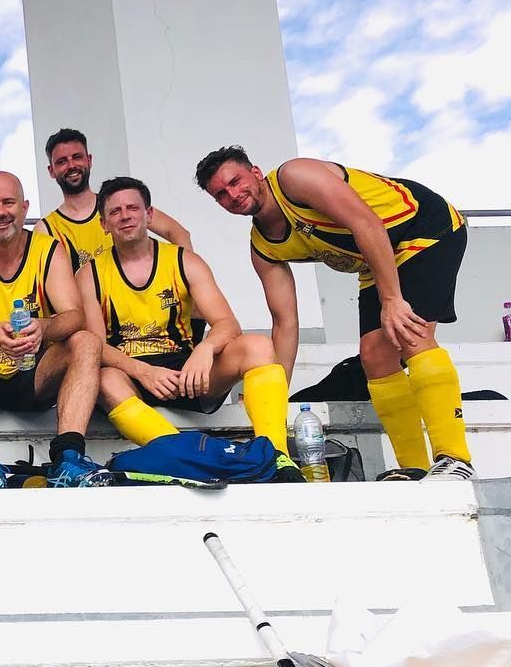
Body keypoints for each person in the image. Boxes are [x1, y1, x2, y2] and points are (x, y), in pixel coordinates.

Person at [195, 146, 473, 481]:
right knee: (374, 357)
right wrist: (277, 392)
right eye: (221, 195)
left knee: (409, 334)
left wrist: (392, 299)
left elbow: (365, 222)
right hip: (377, 257)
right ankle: (414, 467)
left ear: (255, 172)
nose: (233, 195)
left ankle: (454, 458)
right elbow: (286, 322)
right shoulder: (263, 248)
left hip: (425, 228)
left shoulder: (294, 177)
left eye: (235, 182)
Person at [78, 177, 301, 479]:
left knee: (257, 346)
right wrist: (142, 371)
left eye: (132, 207)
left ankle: (275, 458)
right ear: (104, 224)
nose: (125, 215)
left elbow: (227, 323)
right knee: (103, 379)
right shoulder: (90, 274)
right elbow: (95, 346)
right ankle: (184, 456)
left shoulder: (184, 261)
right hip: (133, 375)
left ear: (149, 214)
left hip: (187, 373)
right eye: (115, 211)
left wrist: (205, 349)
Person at [0, 171, 111, 489]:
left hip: (34, 376)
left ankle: (69, 459)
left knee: (85, 341)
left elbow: (74, 316)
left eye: (8, 202)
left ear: (25, 207)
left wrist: (44, 327)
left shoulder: (48, 249)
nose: (0, 212)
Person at [39, 128, 193, 269]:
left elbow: (179, 233)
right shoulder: (46, 228)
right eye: (62, 161)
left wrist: (186, 280)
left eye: (77, 157)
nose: (71, 165)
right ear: (51, 170)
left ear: (89, 160)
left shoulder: (119, 205)